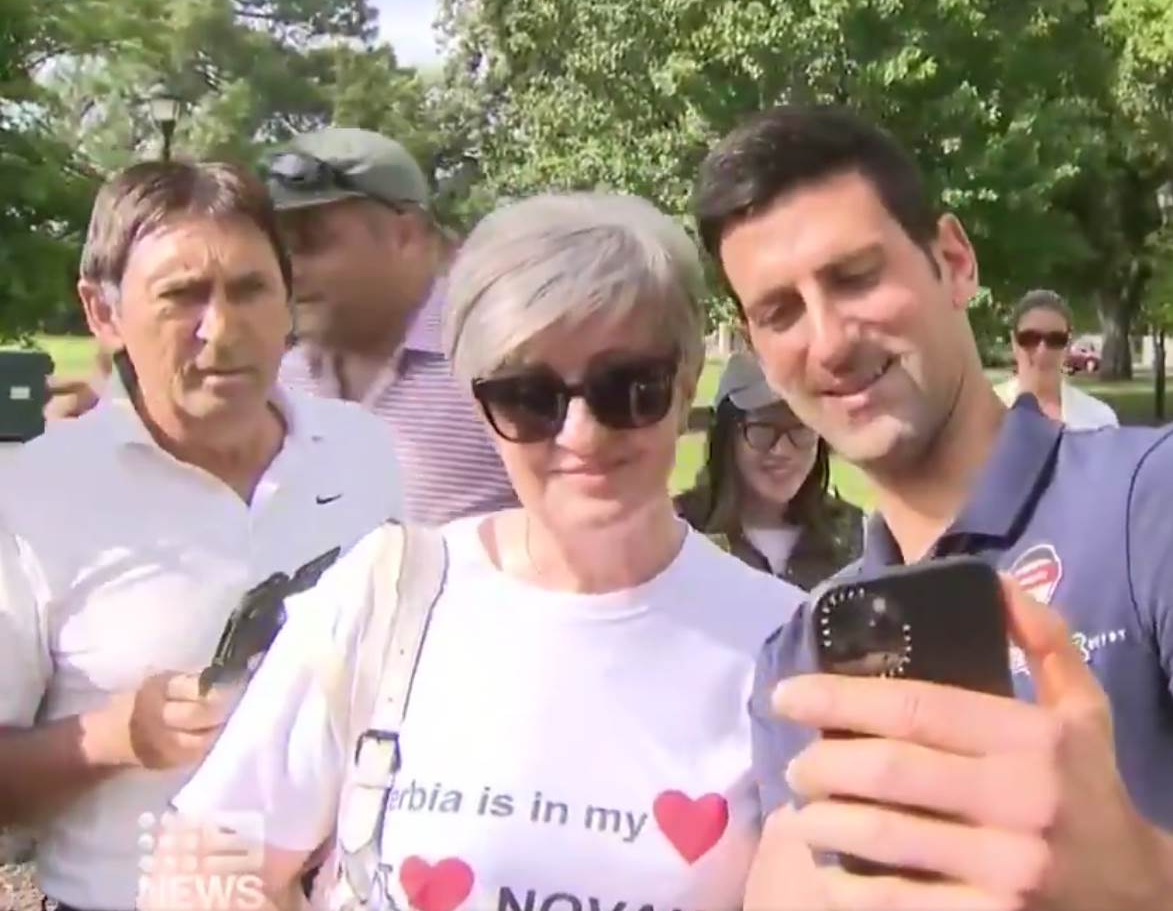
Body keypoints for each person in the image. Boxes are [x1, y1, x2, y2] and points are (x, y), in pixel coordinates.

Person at [693, 105, 1173, 910]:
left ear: (952, 262)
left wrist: (1160, 883)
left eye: (855, 277)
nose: (829, 340)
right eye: (781, 312)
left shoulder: (1162, 501)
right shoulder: (803, 650)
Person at [159, 192, 805, 910]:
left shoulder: (782, 642)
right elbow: (203, 861)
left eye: (629, 389)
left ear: (685, 387)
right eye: (530, 397)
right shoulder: (389, 593)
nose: (582, 435)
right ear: (480, 407)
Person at [0, 161, 403, 911]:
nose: (220, 329)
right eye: (181, 295)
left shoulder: (363, 452)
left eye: (250, 289)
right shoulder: (28, 496)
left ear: (288, 299)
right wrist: (117, 735)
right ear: (103, 313)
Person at [264, 127, 518, 526]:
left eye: (311, 242)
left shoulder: (501, 361)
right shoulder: (276, 385)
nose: (288, 270)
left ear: (406, 235)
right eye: (278, 249)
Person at [675, 351, 864, 590]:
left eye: (800, 429)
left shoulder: (854, 539)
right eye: (763, 429)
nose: (782, 450)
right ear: (726, 438)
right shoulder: (679, 535)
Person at [993, 289, 1118, 430]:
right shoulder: (984, 412)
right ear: (1014, 341)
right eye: (1030, 338)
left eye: (1055, 339)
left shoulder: (1098, 419)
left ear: (1068, 345)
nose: (1042, 351)